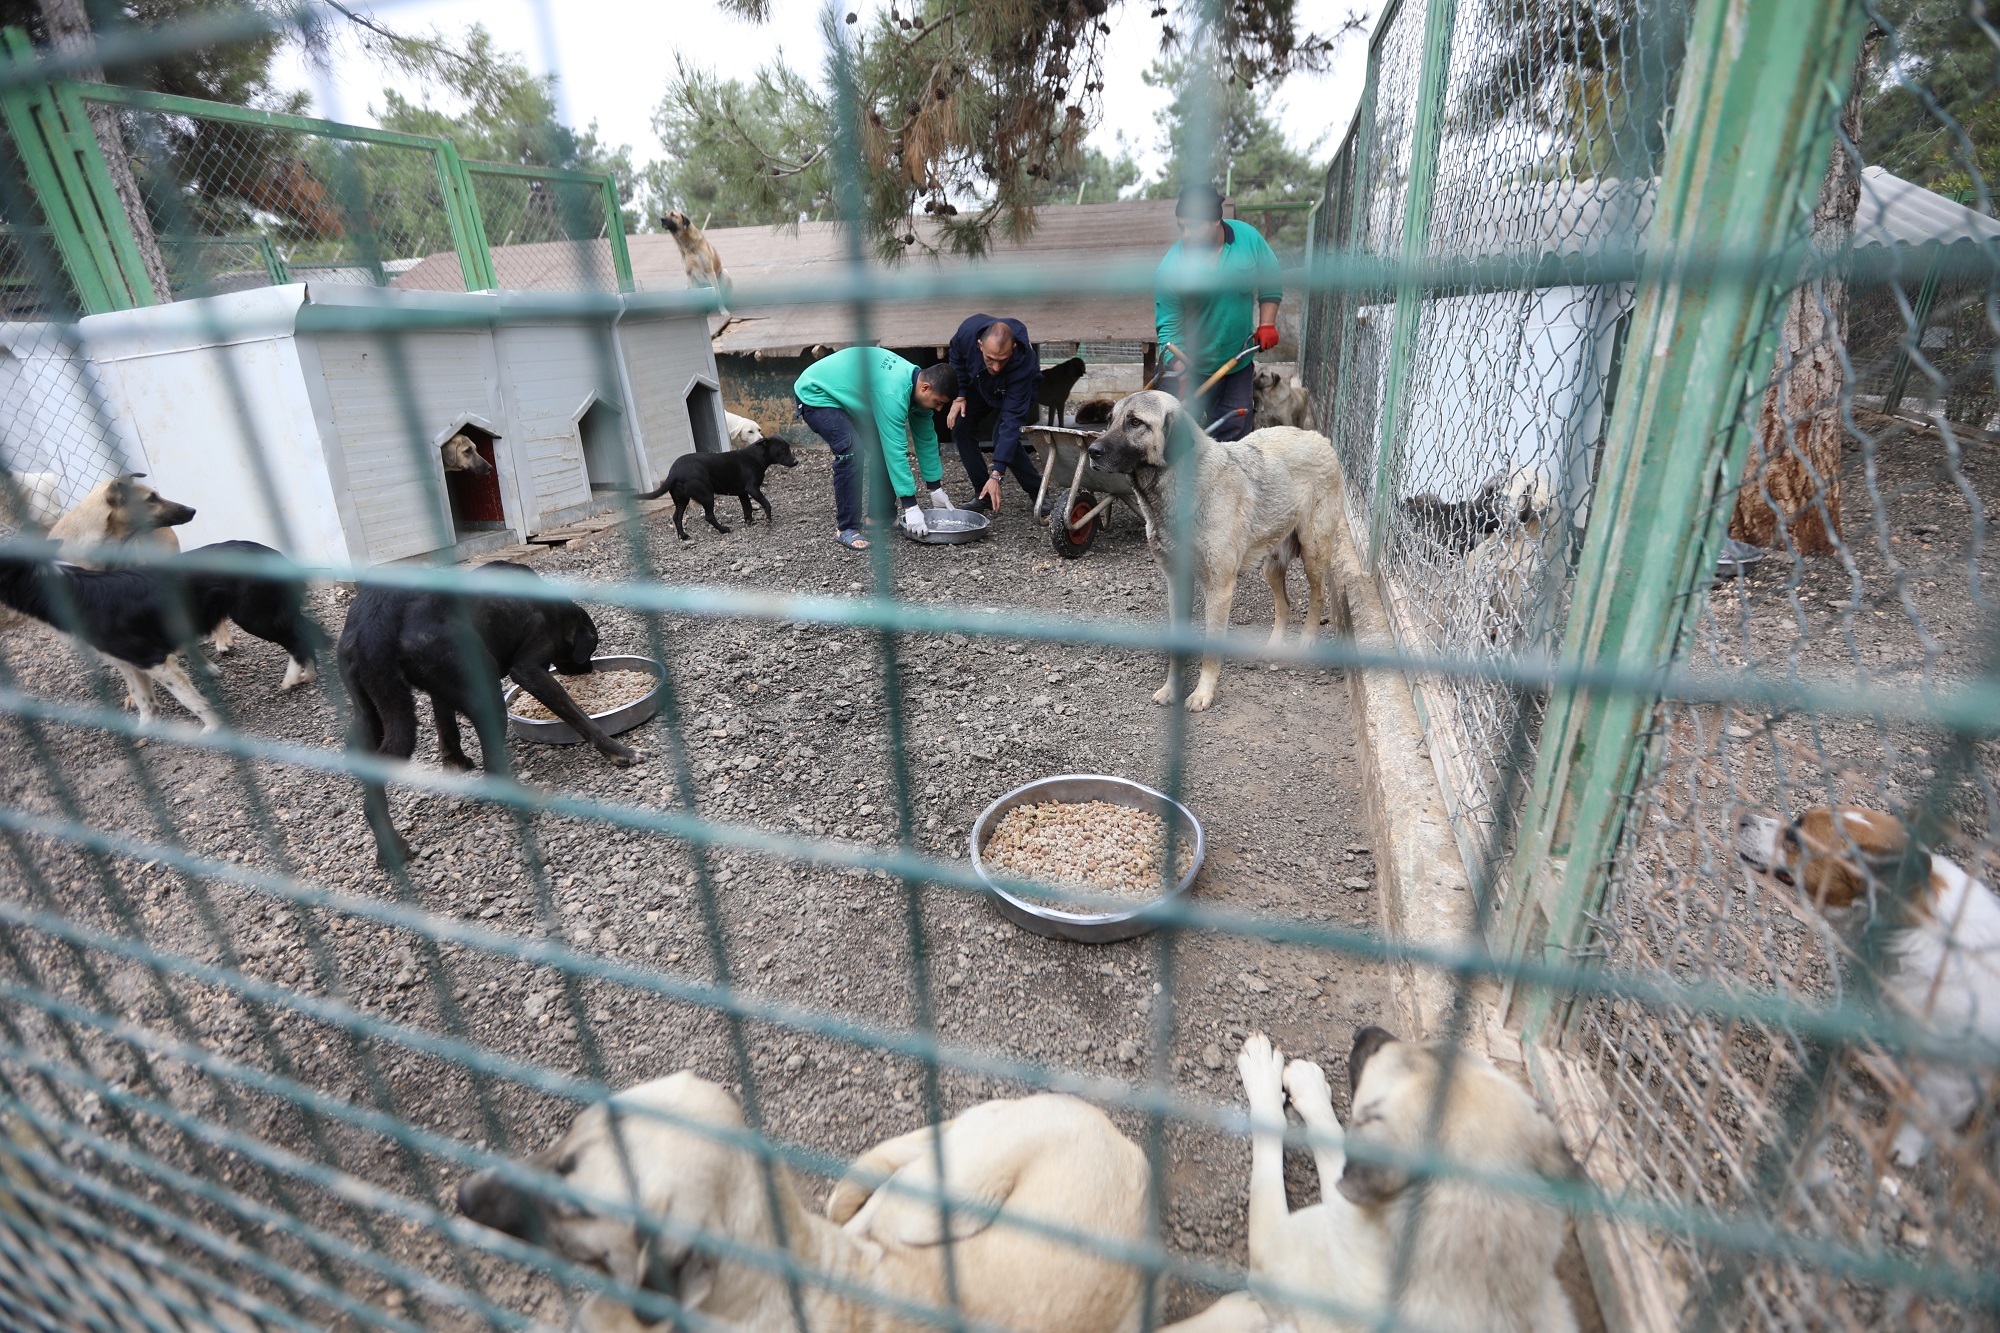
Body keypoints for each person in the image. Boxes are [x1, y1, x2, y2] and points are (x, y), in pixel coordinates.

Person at [1154, 184, 1284, 442]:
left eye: (1193, 226)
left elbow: (1271, 280)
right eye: (1181, 227)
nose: (1186, 235)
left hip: (1237, 361)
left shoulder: (1248, 239)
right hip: (1189, 365)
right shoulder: (1172, 268)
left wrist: (1267, 324)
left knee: (1234, 432)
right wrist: (1180, 371)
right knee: (1174, 437)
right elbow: (1168, 329)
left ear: (1215, 221)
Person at [794, 347, 957, 550]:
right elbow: (895, 449)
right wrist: (911, 505)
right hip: (818, 391)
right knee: (851, 450)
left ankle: (881, 516)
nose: (939, 409)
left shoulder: (916, 389)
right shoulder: (894, 392)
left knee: (881, 448)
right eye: (938, 402)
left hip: (848, 396)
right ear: (925, 387)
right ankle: (846, 528)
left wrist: (935, 487)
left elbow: (926, 439)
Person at [944, 314, 1045, 513]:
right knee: (961, 427)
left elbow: (1011, 422)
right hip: (982, 385)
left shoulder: (1023, 364)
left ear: (1013, 349)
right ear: (980, 345)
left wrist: (997, 474)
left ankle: (1039, 493)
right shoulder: (967, 333)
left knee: (1003, 436)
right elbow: (956, 357)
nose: (997, 367)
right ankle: (983, 493)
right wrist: (960, 395)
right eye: (991, 359)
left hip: (1014, 389)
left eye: (1002, 360)